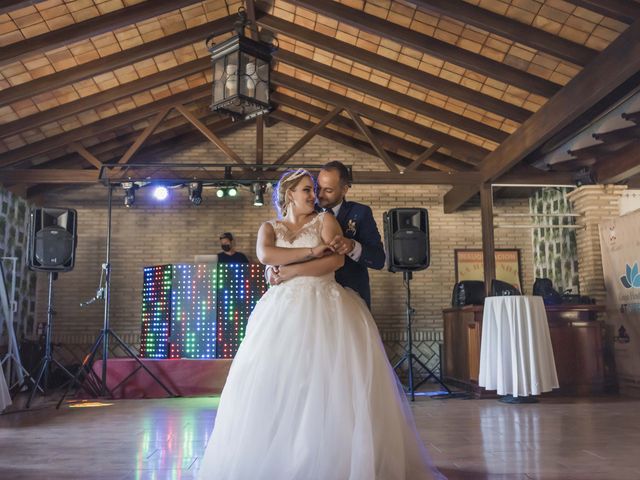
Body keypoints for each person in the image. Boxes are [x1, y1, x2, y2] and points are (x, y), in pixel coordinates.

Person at [197, 169, 444, 480]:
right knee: (282, 380)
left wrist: (291, 270)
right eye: (307, 191)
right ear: (289, 195)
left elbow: (336, 261)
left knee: (329, 381)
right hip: (283, 311)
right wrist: (310, 251)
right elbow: (265, 254)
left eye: (315, 190)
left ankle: (333, 456)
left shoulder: (326, 221)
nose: (314, 196)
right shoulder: (269, 227)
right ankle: (282, 454)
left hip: (326, 305)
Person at [270, 160, 385, 308]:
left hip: (350, 296)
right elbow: (283, 239)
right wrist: (271, 269)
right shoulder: (306, 210)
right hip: (311, 298)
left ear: (344, 190)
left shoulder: (360, 213)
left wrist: (352, 247)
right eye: (318, 188)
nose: (319, 195)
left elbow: (379, 259)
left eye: (328, 190)